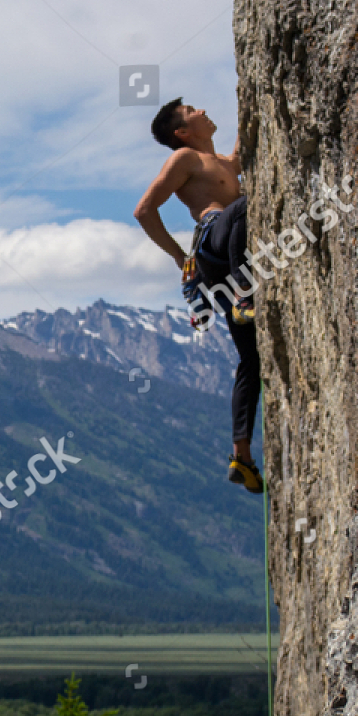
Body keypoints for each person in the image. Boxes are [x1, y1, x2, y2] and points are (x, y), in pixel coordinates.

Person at [133, 99, 263, 494]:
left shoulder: (224, 161)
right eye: (191, 109)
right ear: (181, 132)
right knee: (243, 206)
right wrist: (178, 256)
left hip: (227, 248)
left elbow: (243, 146)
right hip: (215, 244)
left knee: (251, 359)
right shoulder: (186, 158)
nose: (202, 108)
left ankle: (241, 454)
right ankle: (244, 296)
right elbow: (144, 210)